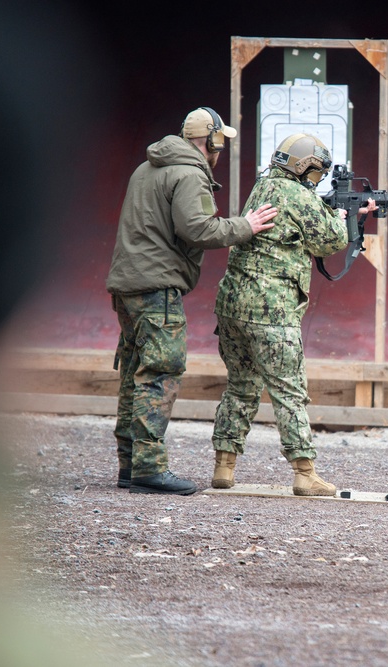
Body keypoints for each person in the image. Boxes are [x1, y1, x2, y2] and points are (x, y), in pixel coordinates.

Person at [106, 107, 278, 495]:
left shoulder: (146, 168)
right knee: (160, 373)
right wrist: (245, 226)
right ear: (211, 140)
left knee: (134, 372)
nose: (221, 150)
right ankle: (149, 469)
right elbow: (197, 228)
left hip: (129, 286)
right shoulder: (189, 174)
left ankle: (130, 465)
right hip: (157, 289)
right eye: (220, 141)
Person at [210, 133, 376, 495]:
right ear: (303, 168)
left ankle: (224, 466)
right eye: (315, 172)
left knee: (240, 387)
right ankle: (304, 473)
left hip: (232, 305)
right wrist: (343, 218)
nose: (317, 179)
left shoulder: (264, 186)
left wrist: (334, 211)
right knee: (289, 391)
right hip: (271, 310)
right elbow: (330, 241)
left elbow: (296, 227)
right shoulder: (300, 195)